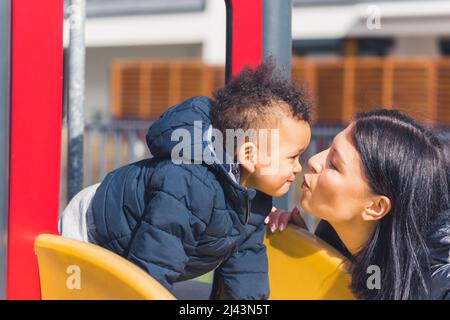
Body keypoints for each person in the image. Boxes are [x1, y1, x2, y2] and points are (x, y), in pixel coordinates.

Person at [60, 61, 312, 299]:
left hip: (139, 248)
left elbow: (246, 261)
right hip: (92, 229)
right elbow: (155, 260)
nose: (298, 167)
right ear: (249, 155)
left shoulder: (255, 198)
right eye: (292, 157)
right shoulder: (190, 186)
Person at [267, 109, 450, 299]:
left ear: (376, 207)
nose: (313, 161)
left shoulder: (440, 287)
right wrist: (303, 246)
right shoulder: (335, 240)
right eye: (328, 149)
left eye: (334, 165)